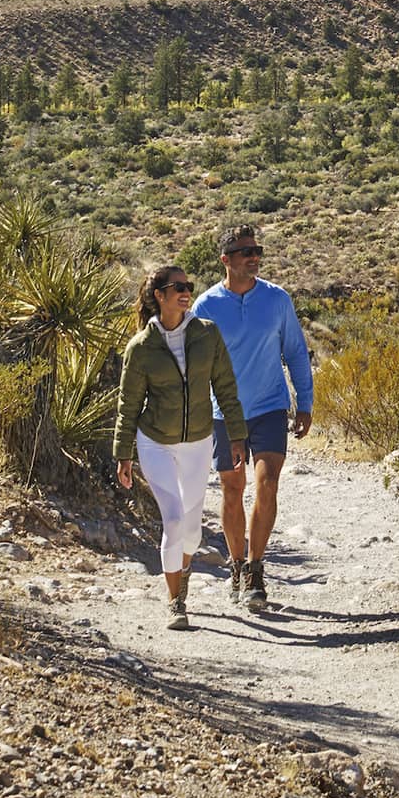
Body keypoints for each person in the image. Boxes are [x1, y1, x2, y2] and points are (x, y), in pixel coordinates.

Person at [114, 266, 248, 631]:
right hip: (156, 442)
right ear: (159, 295)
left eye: (188, 285)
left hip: (198, 441)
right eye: (178, 287)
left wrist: (236, 435)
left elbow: (226, 387)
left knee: (192, 531)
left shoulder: (207, 334)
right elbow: (128, 405)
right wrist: (123, 455)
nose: (186, 291)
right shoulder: (141, 348)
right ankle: (176, 602)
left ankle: (182, 572)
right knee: (173, 520)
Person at [191, 224, 313, 611]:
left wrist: (305, 402)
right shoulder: (206, 306)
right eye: (246, 252)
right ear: (225, 260)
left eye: (257, 250)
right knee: (232, 489)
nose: (254, 257)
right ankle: (236, 565)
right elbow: (194, 364)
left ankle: (256, 569)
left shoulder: (277, 299)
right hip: (223, 413)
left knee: (268, 483)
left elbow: (296, 351)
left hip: (270, 407)